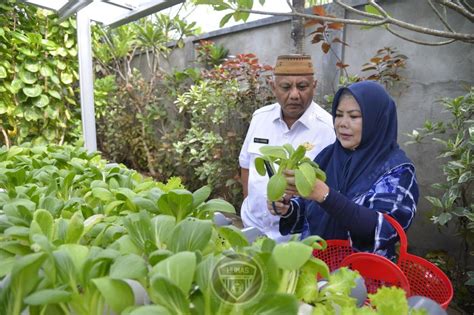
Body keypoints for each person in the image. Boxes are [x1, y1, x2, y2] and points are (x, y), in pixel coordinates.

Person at [270, 81, 419, 258]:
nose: (342, 123)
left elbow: (384, 230)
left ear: (377, 120)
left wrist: (325, 196)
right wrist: (287, 208)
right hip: (315, 269)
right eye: (339, 115)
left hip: (363, 278)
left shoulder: (397, 171)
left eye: (354, 116)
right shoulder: (328, 156)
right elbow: (308, 210)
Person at [239, 54, 336, 242]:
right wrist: (249, 205)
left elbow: (331, 189)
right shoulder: (260, 117)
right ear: (273, 87)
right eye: (285, 87)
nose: (294, 95)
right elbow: (246, 167)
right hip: (252, 228)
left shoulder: (329, 129)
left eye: (302, 86)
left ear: (314, 86)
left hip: (296, 239)